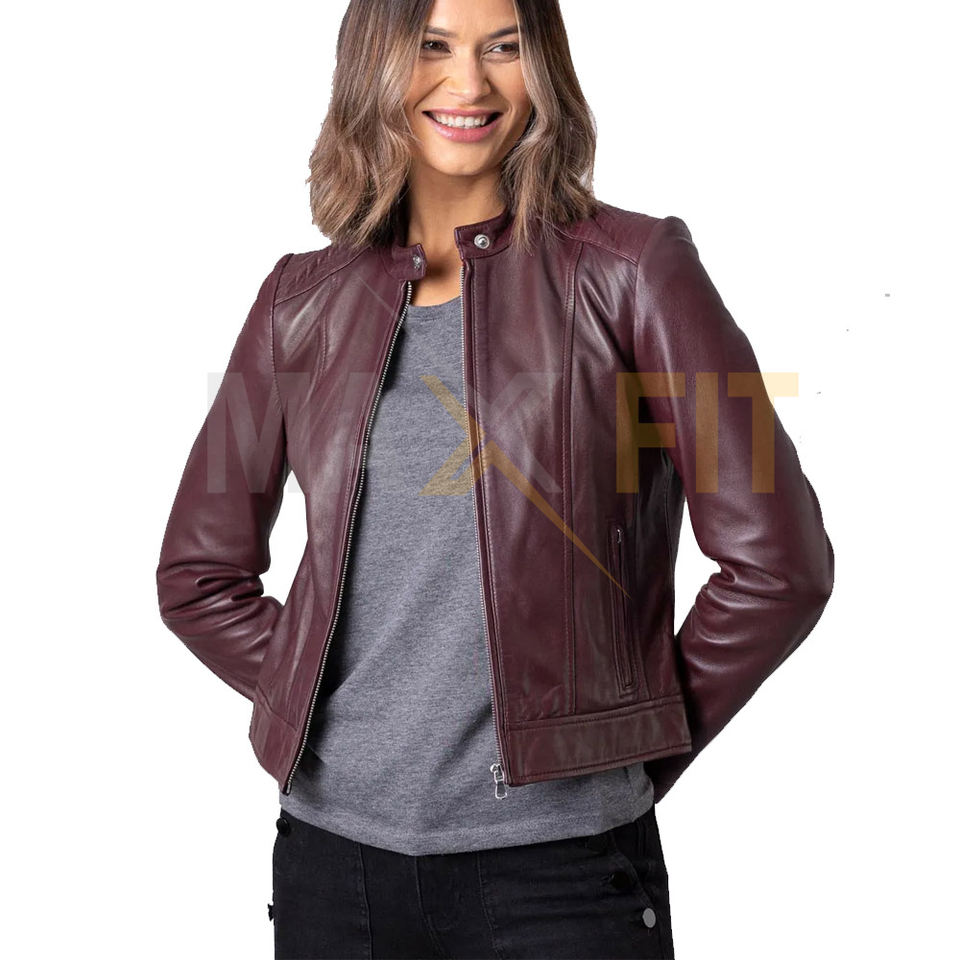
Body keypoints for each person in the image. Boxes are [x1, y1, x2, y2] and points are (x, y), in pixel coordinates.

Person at [155, 0, 835, 957]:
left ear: (542, 68)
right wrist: (330, 710)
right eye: (431, 45)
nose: (468, 82)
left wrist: (622, 739)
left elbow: (782, 565)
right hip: (331, 872)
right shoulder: (296, 304)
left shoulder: (640, 271)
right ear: (373, 65)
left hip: (557, 880)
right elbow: (197, 576)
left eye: (503, 47)